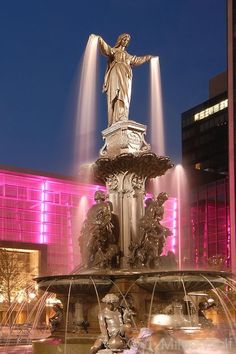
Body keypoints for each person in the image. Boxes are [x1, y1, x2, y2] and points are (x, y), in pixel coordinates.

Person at [92, 33, 152, 126]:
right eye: (124, 39)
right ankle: (115, 120)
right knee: (116, 95)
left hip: (126, 77)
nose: (125, 42)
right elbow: (106, 49)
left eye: (127, 41)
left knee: (124, 96)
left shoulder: (128, 56)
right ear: (120, 40)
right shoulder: (114, 51)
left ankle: (122, 116)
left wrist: (148, 57)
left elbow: (137, 60)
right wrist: (99, 39)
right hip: (115, 74)